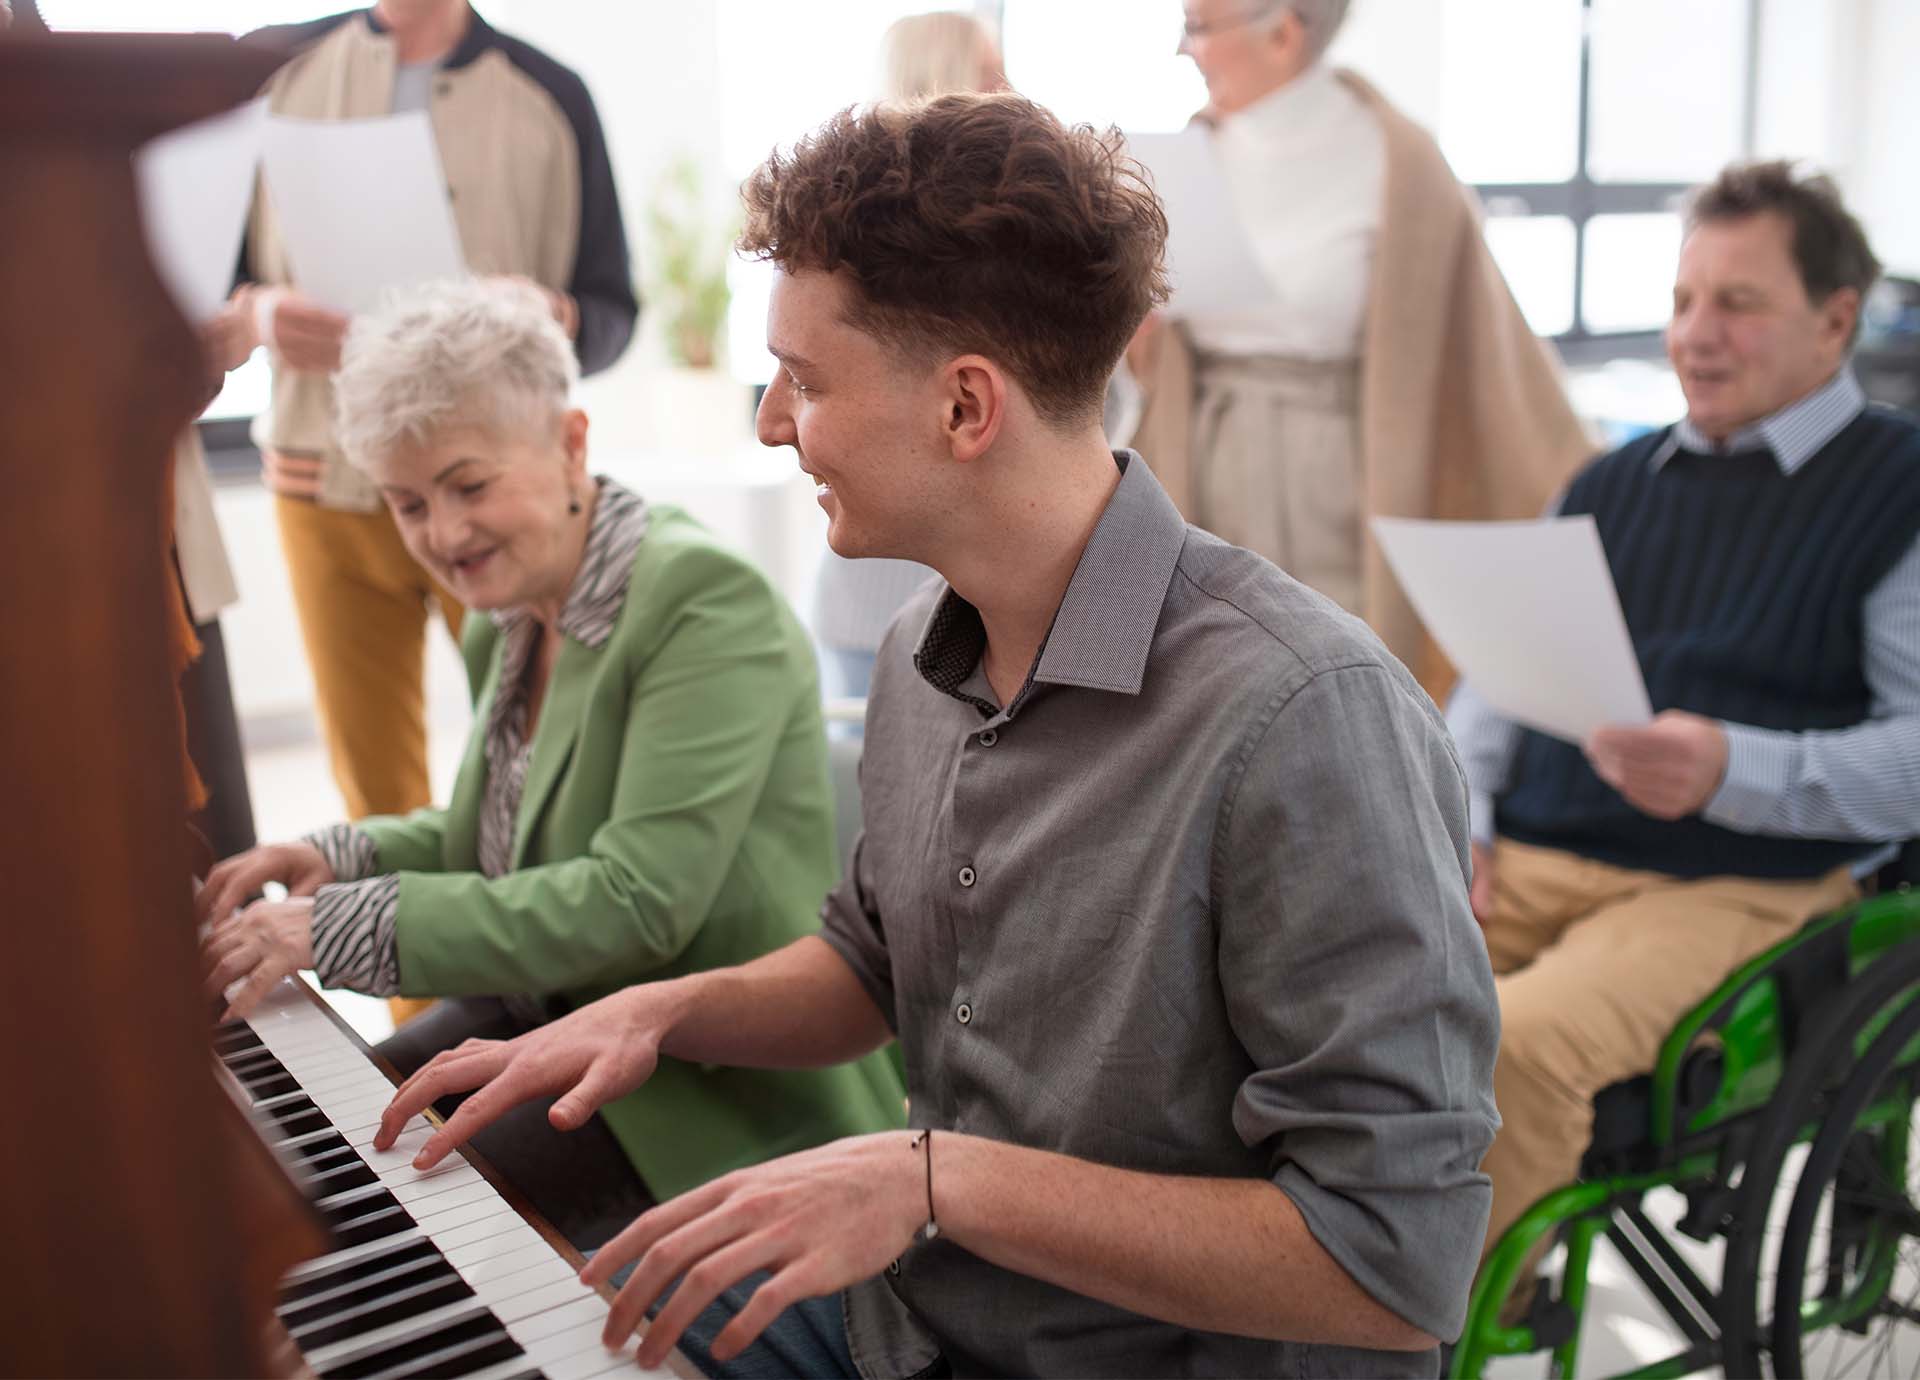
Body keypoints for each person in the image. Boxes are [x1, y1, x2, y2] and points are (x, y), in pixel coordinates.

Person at [374, 94, 1499, 1378]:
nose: (772, 422)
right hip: (926, 1320)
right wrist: (659, 1013)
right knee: (531, 1340)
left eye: (805, 380)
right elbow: (872, 963)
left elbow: (1395, 1272)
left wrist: (932, 1181)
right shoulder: (926, 647)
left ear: (967, 408)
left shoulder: (1307, 716)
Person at [197, 279, 905, 1250]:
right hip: (548, 1016)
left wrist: (337, 927)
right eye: (409, 503)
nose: (444, 535)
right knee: (305, 1156)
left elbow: (634, 903)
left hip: (700, 1084)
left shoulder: (704, 601)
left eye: (470, 487)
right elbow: (500, 833)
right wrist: (341, 856)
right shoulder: (510, 612)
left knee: (358, 1221)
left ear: (572, 442)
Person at [1446, 161, 1920, 1290]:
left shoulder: (1899, 490)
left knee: (1514, 1047)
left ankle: (1415, 1341)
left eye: (1737, 303)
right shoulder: (1605, 485)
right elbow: (1495, 689)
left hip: (1738, 887)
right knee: (1323, 1000)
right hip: (1529, 861)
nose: (1695, 336)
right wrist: (1457, 818)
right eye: (1681, 301)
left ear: (1836, 320)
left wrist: (1732, 770)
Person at [226, 0, 637, 840]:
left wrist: (547, 313)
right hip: (322, 485)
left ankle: (539, 926)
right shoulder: (269, 73)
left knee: (547, 767)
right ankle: (405, 933)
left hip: (504, 487)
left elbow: (611, 312)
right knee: (374, 790)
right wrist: (260, 314)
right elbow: (196, 282)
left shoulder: (553, 94)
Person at [1128, 0, 1590, 695]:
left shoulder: (1400, 160)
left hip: (1339, 475)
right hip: (1202, 457)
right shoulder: (1186, 155)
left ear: (1283, 33)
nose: (1183, 50)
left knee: (1338, 680)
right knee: (1207, 674)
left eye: (1199, 28)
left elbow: (1480, 347)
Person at [808, 8, 1006, 705]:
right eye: (993, 74)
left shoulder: (854, 233)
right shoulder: (940, 246)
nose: (1011, 91)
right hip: (889, 606)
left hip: (936, 600)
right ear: (945, 79)